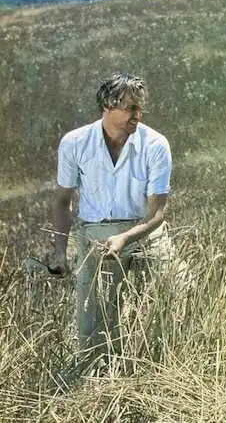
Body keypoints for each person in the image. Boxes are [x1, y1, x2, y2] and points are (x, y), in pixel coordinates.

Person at [49, 72, 173, 373]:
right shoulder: (75, 143)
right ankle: (98, 380)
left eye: (141, 109)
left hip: (146, 231)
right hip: (96, 233)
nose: (138, 116)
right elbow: (62, 202)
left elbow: (158, 213)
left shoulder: (155, 144)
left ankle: (160, 371)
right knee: (94, 323)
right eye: (131, 108)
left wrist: (126, 238)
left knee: (170, 303)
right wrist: (59, 251)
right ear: (108, 105)